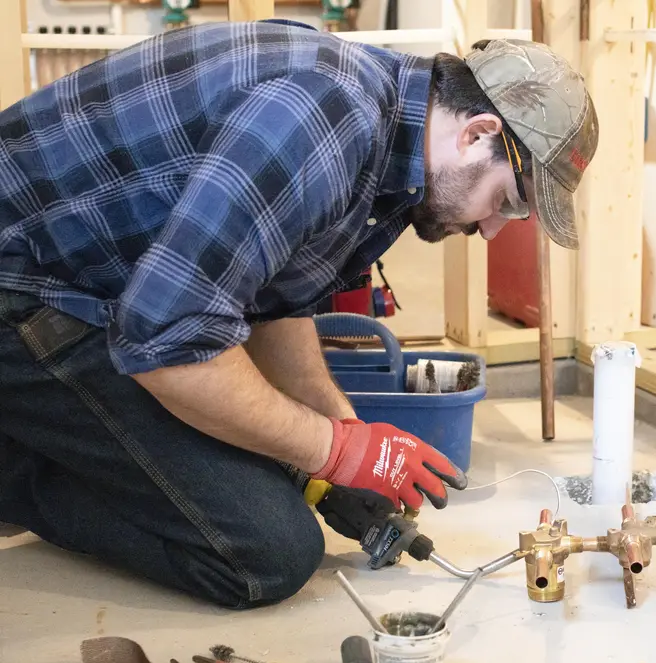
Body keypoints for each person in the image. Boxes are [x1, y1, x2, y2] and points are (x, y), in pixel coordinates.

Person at [0, 19, 598, 609]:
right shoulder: (324, 119)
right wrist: (330, 451)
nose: (492, 230)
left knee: (274, 466)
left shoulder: (386, 149)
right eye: (507, 202)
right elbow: (166, 340)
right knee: (266, 552)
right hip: (22, 285)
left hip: (97, 292)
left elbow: (271, 301)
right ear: (477, 133)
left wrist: (343, 434)